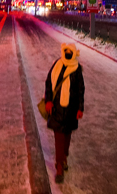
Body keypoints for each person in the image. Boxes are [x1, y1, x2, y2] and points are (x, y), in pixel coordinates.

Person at [44, 43, 85, 183]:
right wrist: (48, 100)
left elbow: (80, 90)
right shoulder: (57, 64)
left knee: (67, 136)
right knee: (59, 137)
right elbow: (49, 83)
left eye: (70, 52)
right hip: (56, 109)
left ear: (73, 53)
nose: (67, 54)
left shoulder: (77, 69)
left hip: (71, 109)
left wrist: (80, 108)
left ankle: (64, 157)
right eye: (65, 51)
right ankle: (59, 165)